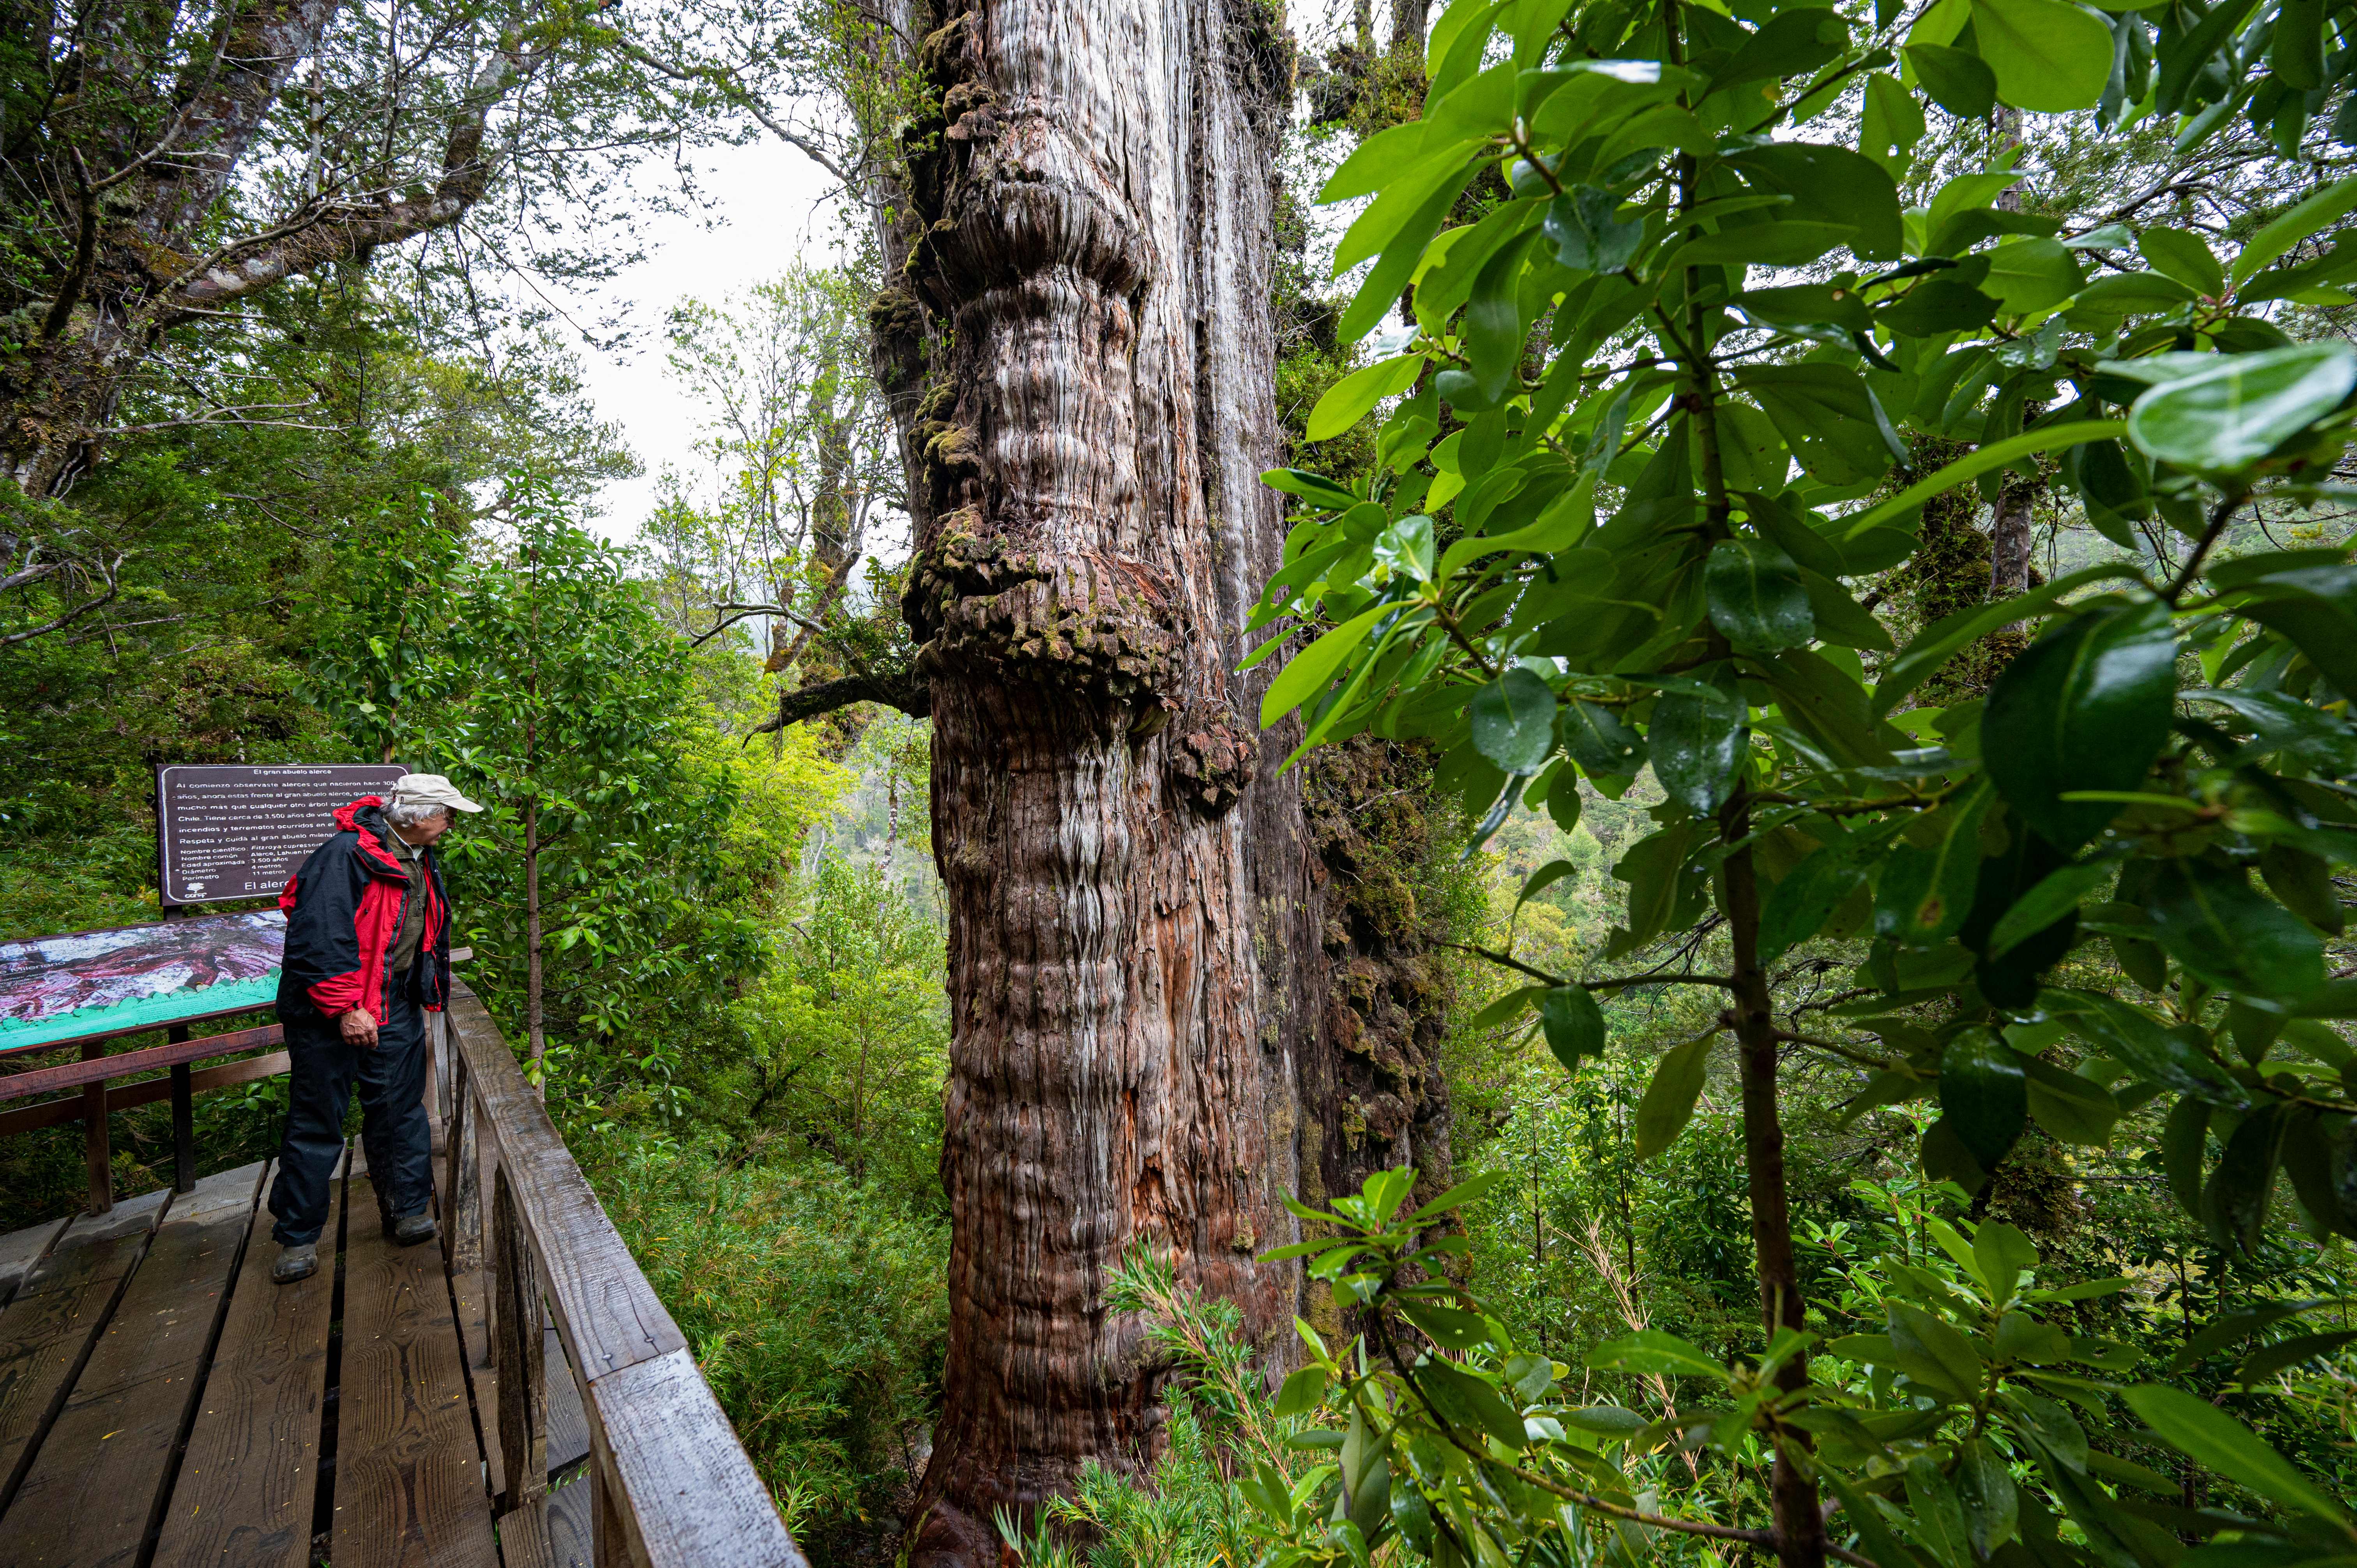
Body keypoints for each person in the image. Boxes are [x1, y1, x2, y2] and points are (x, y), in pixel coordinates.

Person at [267, 774, 482, 1284]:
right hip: (331, 1011)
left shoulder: (419, 857)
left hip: (394, 1003)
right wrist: (345, 1008)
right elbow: (318, 934)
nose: (450, 823)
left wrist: (425, 986)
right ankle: (297, 1238)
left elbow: (420, 930)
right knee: (318, 1121)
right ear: (416, 815)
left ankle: (407, 1210)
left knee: (399, 1112)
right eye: (445, 813)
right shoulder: (344, 856)